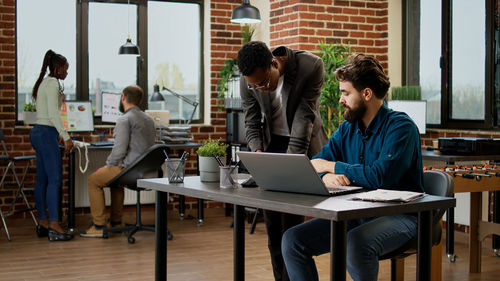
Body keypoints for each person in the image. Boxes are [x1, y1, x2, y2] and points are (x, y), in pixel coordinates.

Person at [281, 54, 424, 281]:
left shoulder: (401, 128)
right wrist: (326, 176)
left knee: (357, 242)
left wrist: (332, 166)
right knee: (293, 240)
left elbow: (380, 176)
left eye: (345, 93)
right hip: (358, 212)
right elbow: (316, 164)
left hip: (402, 215)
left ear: (366, 94)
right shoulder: (348, 129)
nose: (341, 99)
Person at [237, 41, 328, 281]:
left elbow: (304, 120)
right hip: (272, 145)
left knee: (291, 228)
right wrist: (258, 154)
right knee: (273, 229)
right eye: (255, 85)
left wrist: (289, 169)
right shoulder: (248, 80)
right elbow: (252, 121)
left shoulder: (310, 66)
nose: (261, 89)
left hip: (302, 145)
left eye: (264, 82)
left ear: (275, 64)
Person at [80, 85, 156, 238]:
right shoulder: (149, 119)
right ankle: (116, 222)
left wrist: (107, 166)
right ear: (139, 100)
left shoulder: (124, 119)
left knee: (93, 180)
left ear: (123, 97)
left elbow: (119, 151)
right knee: (115, 181)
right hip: (148, 171)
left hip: (130, 170)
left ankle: (99, 226)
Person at [29, 50, 74, 242]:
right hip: (47, 134)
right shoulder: (54, 83)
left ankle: (44, 222)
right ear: (58, 68)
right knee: (55, 180)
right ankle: (55, 225)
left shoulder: (43, 83)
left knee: (42, 180)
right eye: (65, 68)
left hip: (37, 133)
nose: (66, 72)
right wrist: (66, 137)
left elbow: (46, 113)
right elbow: (54, 115)